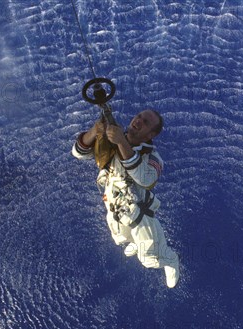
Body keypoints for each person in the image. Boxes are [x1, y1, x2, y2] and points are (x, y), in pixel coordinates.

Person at [72, 109, 180, 288]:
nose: (138, 121)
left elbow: (146, 179)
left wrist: (121, 141)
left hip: (139, 215)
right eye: (138, 116)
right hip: (114, 209)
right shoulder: (110, 141)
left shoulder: (153, 157)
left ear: (151, 134)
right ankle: (135, 242)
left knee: (149, 259)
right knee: (121, 239)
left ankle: (171, 260)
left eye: (145, 122)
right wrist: (95, 131)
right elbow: (78, 153)